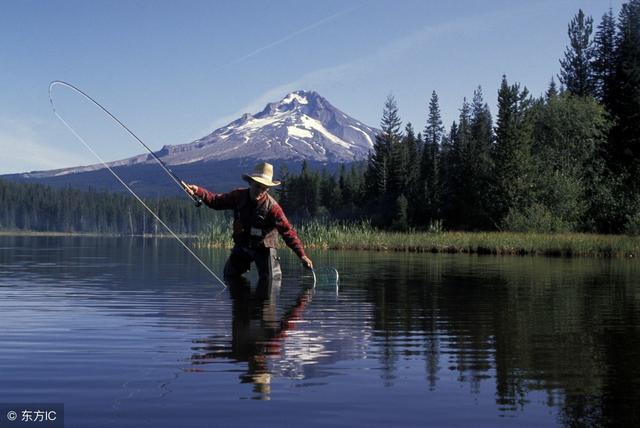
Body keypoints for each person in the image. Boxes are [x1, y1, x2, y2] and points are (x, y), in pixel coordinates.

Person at [182, 162, 313, 284]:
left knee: (271, 281)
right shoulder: (238, 196)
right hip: (243, 246)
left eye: (264, 188)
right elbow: (215, 201)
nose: (260, 191)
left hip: (264, 249)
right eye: (257, 186)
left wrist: (302, 255)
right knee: (229, 276)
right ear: (251, 182)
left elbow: (288, 232)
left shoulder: (273, 208)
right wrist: (198, 191)